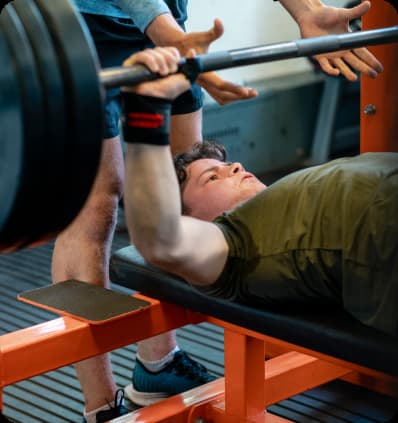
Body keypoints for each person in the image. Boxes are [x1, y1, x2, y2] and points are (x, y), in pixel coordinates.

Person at [53, 1, 383, 422]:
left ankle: (158, 364)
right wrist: (168, 35)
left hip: (165, 23)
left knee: (182, 183)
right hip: (85, 27)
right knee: (96, 207)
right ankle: (100, 405)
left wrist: (306, 11)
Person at [121, 47, 398, 343]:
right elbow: (160, 238)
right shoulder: (230, 247)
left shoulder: (280, 199)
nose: (235, 166)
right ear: (191, 220)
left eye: (227, 164)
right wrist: (148, 111)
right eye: (212, 177)